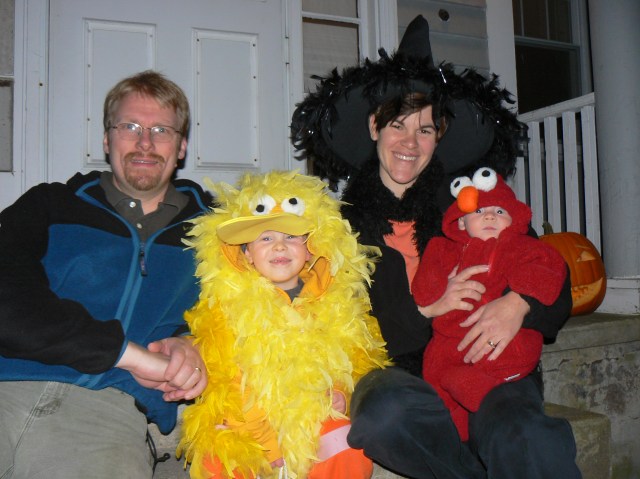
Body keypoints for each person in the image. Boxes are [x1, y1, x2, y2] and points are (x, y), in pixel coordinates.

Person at [291, 14, 581, 479]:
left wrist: (517, 304)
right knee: (385, 416)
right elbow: (345, 329)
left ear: (438, 138)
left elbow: (551, 275)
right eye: (398, 125)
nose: (410, 142)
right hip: (394, 373)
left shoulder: (472, 209)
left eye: (425, 129)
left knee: (524, 435)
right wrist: (428, 308)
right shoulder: (339, 229)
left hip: (486, 360)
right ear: (374, 126)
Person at [0, 70, 211, 479]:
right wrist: (128, 354)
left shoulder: (215, 233)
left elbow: (252, 314)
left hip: (105, 413)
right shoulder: (49, 205)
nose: (145, 142)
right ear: (106, 140)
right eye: (129, 126)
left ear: (181, 146)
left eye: (161, 130)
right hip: (8, 382)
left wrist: (194, 343)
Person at [176, 170, 389, 479]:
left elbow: (348, 360)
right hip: (250, 427)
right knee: (217, 453)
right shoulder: (228, 307)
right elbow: (229, 380)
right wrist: (268, 443)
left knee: (347, 442)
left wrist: (341, 393)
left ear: (310, 248)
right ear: (246, 254)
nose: (279, 246)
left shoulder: (331, 303)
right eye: (266, 238)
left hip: (311, 421)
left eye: (291, 237)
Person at [412, 167, 567, 441]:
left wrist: (519, 299)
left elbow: (548, 266)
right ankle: (453, 442)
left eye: (499, 211)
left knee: (499, 400)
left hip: (502, 346)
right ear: (461, 223)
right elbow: (424, 291)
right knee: (438, 382)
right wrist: (433, 296)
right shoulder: (443, 249)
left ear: (513, 219)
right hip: (449, 341)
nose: (489, 216)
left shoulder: (519, 245)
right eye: (479, 211)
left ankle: (487, 394)